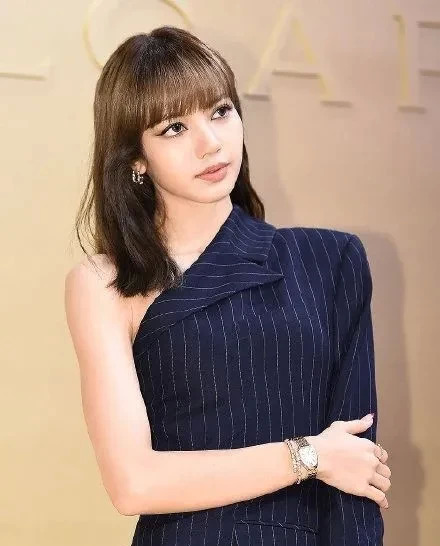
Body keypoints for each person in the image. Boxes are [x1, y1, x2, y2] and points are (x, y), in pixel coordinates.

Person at [64, 26, 391, 546]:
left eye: (220, 112)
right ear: (135, 159)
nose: (210, 143)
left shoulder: (330, 260)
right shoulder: (104, 283)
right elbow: (132, 483)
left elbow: (356, 469)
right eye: (174, 127)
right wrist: (308, 456)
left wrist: (329, 459)